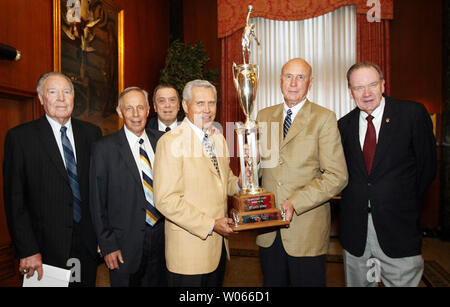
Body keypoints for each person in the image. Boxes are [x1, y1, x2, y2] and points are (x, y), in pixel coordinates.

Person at [338, 62, 437, 287]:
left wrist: (401, 200)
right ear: (350, 92)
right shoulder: (343, 125)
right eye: (359, 87)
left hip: (399, 228)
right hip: (356, 232)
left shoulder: (412, 114)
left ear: (383, 84)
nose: (367, 93)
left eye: (372, 84)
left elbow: (427, 167)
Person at [3, 72, 102, 286]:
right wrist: (28, 250)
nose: (61, 98)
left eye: (67, 92)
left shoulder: (92, 134)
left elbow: (98, 190)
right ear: (40, 98)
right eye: (53, 92)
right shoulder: (20, 138)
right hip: (44, 249)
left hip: (87, 244)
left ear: (74, 97)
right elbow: (15, 201)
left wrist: (102, 236)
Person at [256, 58, 348, 286]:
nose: (294, 83)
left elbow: (337, 176)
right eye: (288, 76)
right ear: (280, 81)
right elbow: (260, 170)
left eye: (301, 77)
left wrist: (296, 202)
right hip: (268, 229)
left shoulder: (324, 118)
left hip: (306, 229)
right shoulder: (263, 116)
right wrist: (252, 162)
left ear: (310, 82)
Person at [153, 79, 241, 287]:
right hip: (188, 255)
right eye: (200, 103)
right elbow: (166, 200)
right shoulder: (170, 142)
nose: (207, 109)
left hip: (218, 249)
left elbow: (226, 182)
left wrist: (247, 175)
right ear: (185, 106)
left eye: (211, 103)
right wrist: (211, 225)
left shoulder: (218, 139)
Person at [89, 87, 166, 287]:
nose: (135, 114)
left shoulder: (163, 142)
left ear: (149, 110)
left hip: (163, 240)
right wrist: (107, 245)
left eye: (140, 107)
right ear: (119, 111)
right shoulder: (103, 148)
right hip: (123, 246)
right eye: (129, 108)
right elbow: (97, 202)